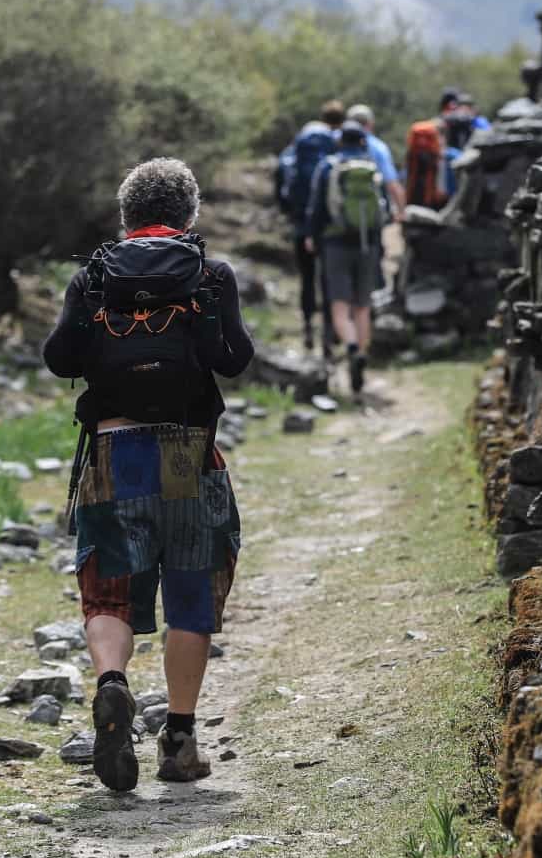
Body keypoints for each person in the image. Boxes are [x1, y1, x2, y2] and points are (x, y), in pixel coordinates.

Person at [42, 158, 255, 790]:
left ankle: (112, 684)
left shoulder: (94, 275)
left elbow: (59, 359)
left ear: (126, 215)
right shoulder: (209, 273)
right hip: (190, 453)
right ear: (190, 214)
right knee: (190, 591)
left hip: (113, 451)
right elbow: (234, 359)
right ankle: (180, 739)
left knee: (107, 590)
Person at [304, 117, 390, 396]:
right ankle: (361, 359)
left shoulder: (329, 166)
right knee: (362, 306)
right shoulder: (371, 167)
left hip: (335, 243)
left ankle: (351, 346)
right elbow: (382, 210)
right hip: (367, 245)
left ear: (340, 140)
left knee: (339, 306)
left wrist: (312, 237)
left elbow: (316, 207)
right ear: (363, 140)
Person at [277, 102, 341, 351]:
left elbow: (282, 188)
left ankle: (306, 329)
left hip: (301, 225)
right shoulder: (333, 149)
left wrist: (292, 214)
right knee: (327, 279)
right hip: (328, 227)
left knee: (306, 278)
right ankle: (328, 335)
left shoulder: (293, 152)